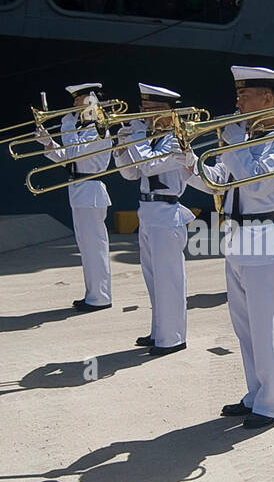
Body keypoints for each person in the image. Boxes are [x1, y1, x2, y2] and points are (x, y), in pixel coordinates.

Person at [190, 66, 274, 429]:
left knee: (267, 326)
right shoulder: (241, 140)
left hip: (264, 237)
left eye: (245, 94)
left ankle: (273, 403)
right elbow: (218, 182)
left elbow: (255, 184)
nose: (237, 101)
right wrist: (186, 160)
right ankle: (256, 391)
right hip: (236, 237)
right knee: (246, 326)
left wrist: (234, 143)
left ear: (267, 99)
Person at [114, 83, 194, 355]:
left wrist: (136, 138)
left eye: (149, 110)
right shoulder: (149, 139)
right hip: (147, 212)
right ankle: (159, 330)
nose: (143, 115)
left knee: (169, 279)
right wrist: (122, 147)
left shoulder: (177, 140)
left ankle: (172, 338)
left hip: (166, 212)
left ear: (166, 111)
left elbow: (150, 165)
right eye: (142, 109)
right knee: (153, 279)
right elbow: (131, 174)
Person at [37, 83, 114, 310]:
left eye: (77, 100)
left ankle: (100, 297)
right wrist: (48, 143)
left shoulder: (100, 128)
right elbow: (68, 158)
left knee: (95, 247)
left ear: (90, 101)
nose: (72, 105)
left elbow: (76, 152)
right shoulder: (82, 129)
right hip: (80, 188)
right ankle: (94, 294)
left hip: (90, 190)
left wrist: (67, 127)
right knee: (86, 247)